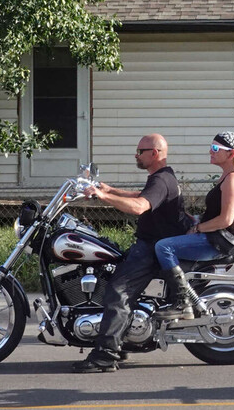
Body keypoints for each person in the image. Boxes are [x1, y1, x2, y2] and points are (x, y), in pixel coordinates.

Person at [71, 134, 190, 373]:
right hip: (151, 244)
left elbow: (139, 207)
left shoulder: (161, 180)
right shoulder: (160, 178)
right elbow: (140, 196)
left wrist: (102, 196)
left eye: (140, 151)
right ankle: (119, 339)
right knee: (112, 276)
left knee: (118, 291)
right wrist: (108, 189)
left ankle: (105, 356)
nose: (136, 155)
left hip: (152, 247)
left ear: (155, 153)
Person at [152, 132, 234, 321]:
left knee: (163, 246)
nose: (210, 151)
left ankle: (183, 303)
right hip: (218, 236)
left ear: (231, 154)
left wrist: (198, 228)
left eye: (215, 148)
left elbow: (226, 220)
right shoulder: (231, 174)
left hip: (220, 241)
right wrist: (195, 219)